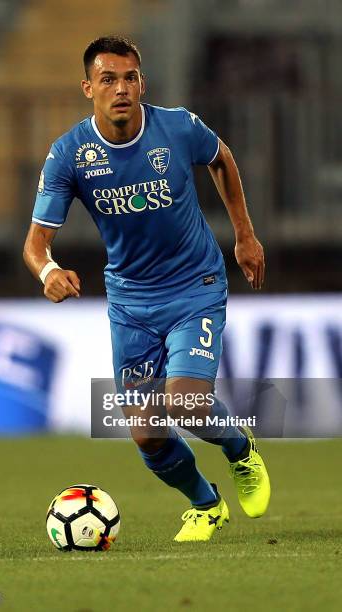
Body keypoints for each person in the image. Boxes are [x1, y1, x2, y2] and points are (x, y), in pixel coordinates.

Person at [23, 35, 270, 542]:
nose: (121, 88)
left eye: (130, 78)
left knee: (184, 403)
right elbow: (35, 244)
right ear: (87, 86)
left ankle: (239, 450)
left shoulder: (176, 126)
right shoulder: (69, 154)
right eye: (108, 79)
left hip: (194, 286)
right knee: (147, 432)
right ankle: (206, 504)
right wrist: (49, 272)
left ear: (142, 83)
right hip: (132, 303)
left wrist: (245, 234)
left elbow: (220, 156)